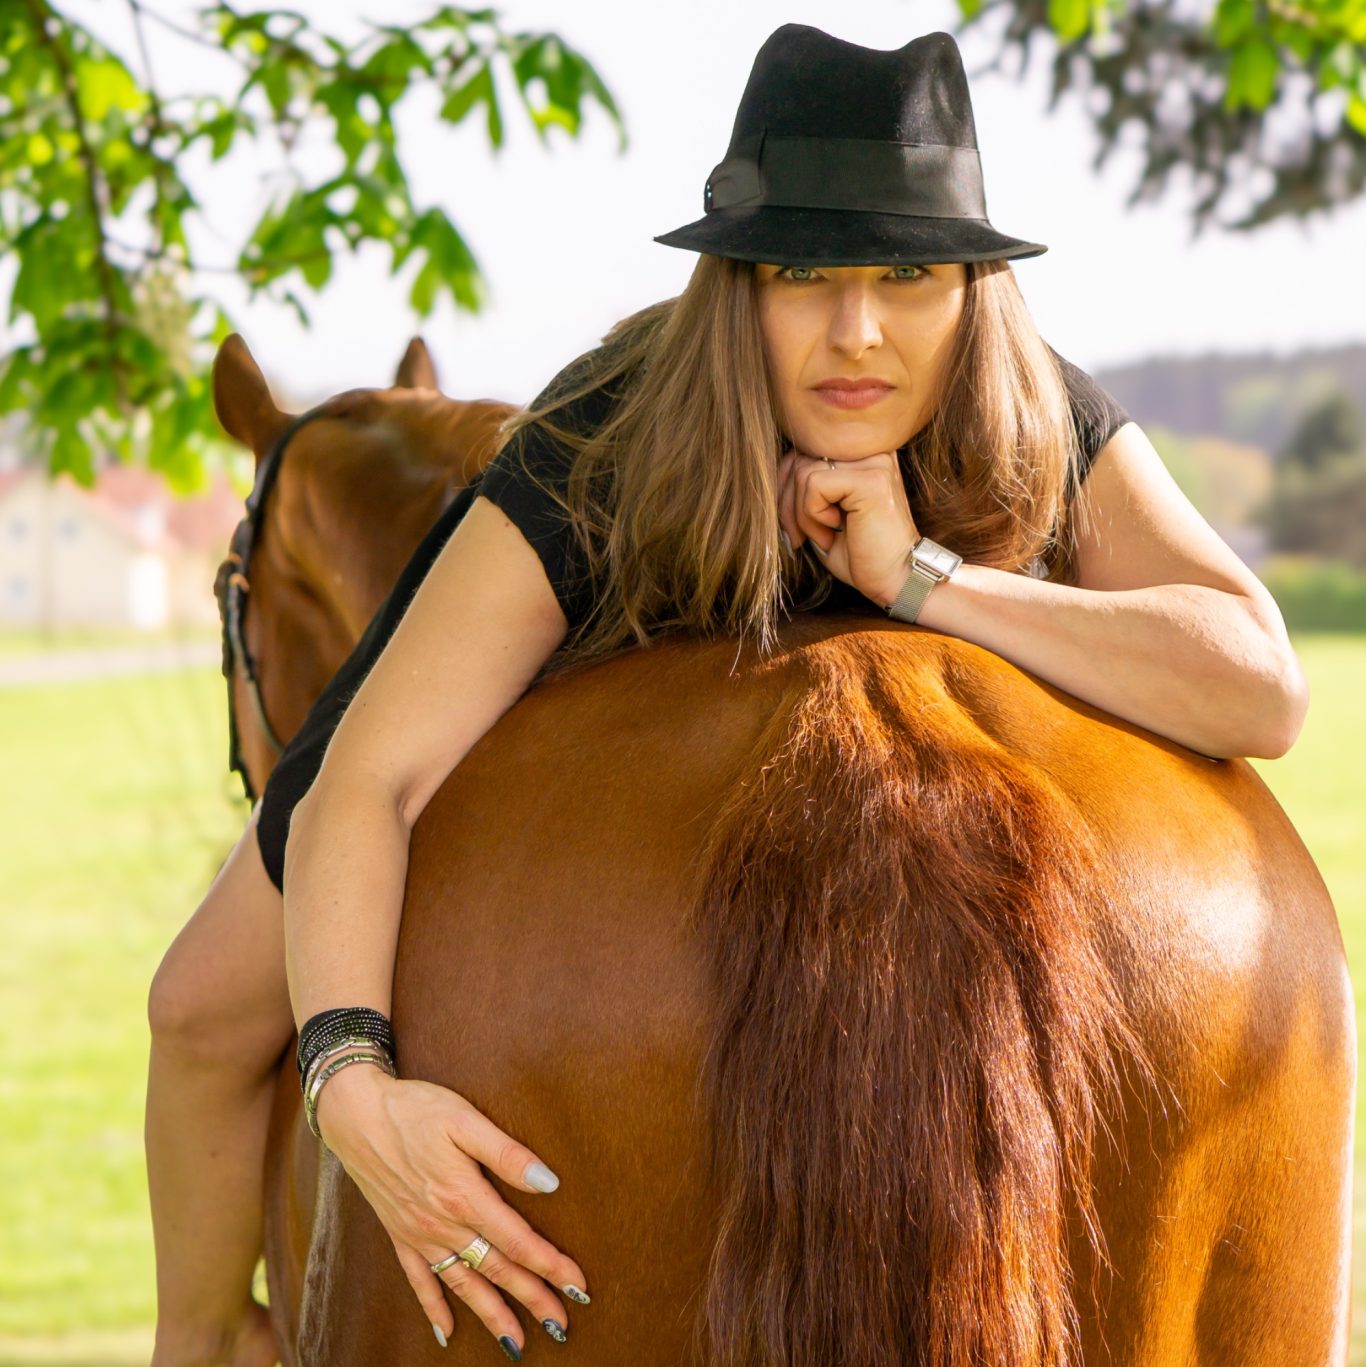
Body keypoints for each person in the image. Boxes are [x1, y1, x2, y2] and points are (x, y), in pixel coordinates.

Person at [143, 24, 1308, 1367]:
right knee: (194, 1005)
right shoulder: (605, 435)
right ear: (733, 284)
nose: (855, 330)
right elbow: (376, 773)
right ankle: (203, 1342)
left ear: (975, 287)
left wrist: (923, 581)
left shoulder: (1041, 408)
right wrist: (347, 1078)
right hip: (470, 672)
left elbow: (1259, 687)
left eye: (909, 271)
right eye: (803, 273)